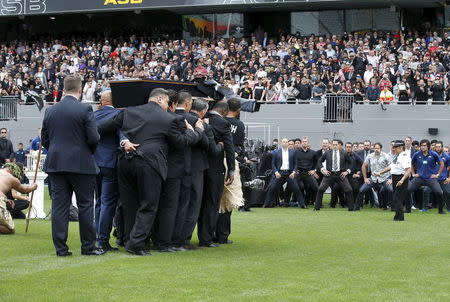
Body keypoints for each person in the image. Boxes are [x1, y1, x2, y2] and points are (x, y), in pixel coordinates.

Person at [98, 88, 204, 255]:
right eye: (168, 102)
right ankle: (136, 244)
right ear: (161, 100)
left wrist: (123, 141)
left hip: (125, 162)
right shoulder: (169, 119)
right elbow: (181, 142)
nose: (168, 106)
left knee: (130, 204)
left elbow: (101, 129)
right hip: (150, 163)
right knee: (149, 205)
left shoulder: (129, 112)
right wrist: (196, 131)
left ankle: (129, 240)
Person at [41, 74, 104, 257]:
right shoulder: (85, 109)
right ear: (80, 89)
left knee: (60, 207)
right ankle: (88, 247)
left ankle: (61, 249)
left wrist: (55, 151)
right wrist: (87, 151)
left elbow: (45, 138)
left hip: (56, 164)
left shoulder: (50, 110)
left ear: (63, 88)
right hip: (81, 164)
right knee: (85, 205)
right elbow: (94, 138)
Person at [198, 101, 235, 248]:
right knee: (211, 204)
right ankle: (205, 239)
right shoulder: (223, 123)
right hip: (214, 169)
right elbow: (229, 148)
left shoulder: (200, 120)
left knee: (196, 204)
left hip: (198, 168)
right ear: (225, 111)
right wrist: (231, 169)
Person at [93, 90, 124, 252]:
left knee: (99, 202)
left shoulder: (93, 116)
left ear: (102, 101)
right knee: (107, 203)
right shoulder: (119, 115)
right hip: (110, 164)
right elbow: (122, 136)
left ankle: (98, 236)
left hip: (94, 163)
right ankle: (103, 240)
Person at [215, 98, 246, 244]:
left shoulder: (216, 121)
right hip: (230, 162)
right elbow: (239, 145)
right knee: (229, 200)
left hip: (216, 160)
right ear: (238, 110)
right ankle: (223, 235)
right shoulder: (239, 125)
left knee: (214, 200)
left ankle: (210, 233)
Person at [375, 140, 411, 221]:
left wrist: (402, 180)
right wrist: (380, 172)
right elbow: (391, 167)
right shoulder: (398, 156)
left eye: (396, 147)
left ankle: (399, 217)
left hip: (401, 178)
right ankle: (398, 217)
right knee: (396, 198)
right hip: (395, 178)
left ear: (401, 147)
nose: (394, 149)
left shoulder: (404, 156)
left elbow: (408, 170)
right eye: (393, 147)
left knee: (397, 198)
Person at [315, 139, 354, 211]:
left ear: (339, 145)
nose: (335, 146)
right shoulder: (327, 153)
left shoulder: (344, 153)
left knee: (349, 190)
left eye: (336, 145)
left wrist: (347, 171)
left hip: (340, 174)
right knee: (320, 189)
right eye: (333, 145)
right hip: (329, 174)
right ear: (331, 145)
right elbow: (319, 161)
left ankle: (351, 208)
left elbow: (351, 162)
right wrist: (323, 170)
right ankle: (317, 208)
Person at [407, 139, 445, 214]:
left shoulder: (433, 154)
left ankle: (440, 210)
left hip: (430, 178)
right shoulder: (417, 154)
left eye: (424, 145)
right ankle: (408, 209)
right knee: (407, 190)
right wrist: (413, 173)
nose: (422, 147)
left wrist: (438, 174)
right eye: (421, 145)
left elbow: (442, 164)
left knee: (439, 192)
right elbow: (411, 164)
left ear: (428, 146)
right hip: (419, 178)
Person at [0, 163, 37, 234]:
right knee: (10, 230)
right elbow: (24, 190)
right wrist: (33, 186)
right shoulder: (12, 178)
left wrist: (6, 200)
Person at [354, 143, 392, 210]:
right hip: (373, 178)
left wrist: (390, 179)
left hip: (385, 178)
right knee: (361, 190)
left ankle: (390, 207)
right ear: (373, 149)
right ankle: (357, 207)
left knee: (390, 190)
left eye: (378, 148)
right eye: (375, 148)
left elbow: (391, 167)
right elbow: (364, 166)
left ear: (381, 149)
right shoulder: (370, 156)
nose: (376, 150)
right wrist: (365, 178)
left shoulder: (386, 156)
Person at [263, 138, 300, 208]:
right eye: (284, 142)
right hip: (280, 173)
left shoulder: (293, 152)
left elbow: (296, 163)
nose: (285, 143)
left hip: (290, 173)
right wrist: (276, 172)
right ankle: (266, 204)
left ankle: (301, 204)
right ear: (281, 143)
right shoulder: (277, 152)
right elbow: (273, 163)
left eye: (286, 142)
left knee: (296, 188)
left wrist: (294, 172)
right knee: (272, 187)